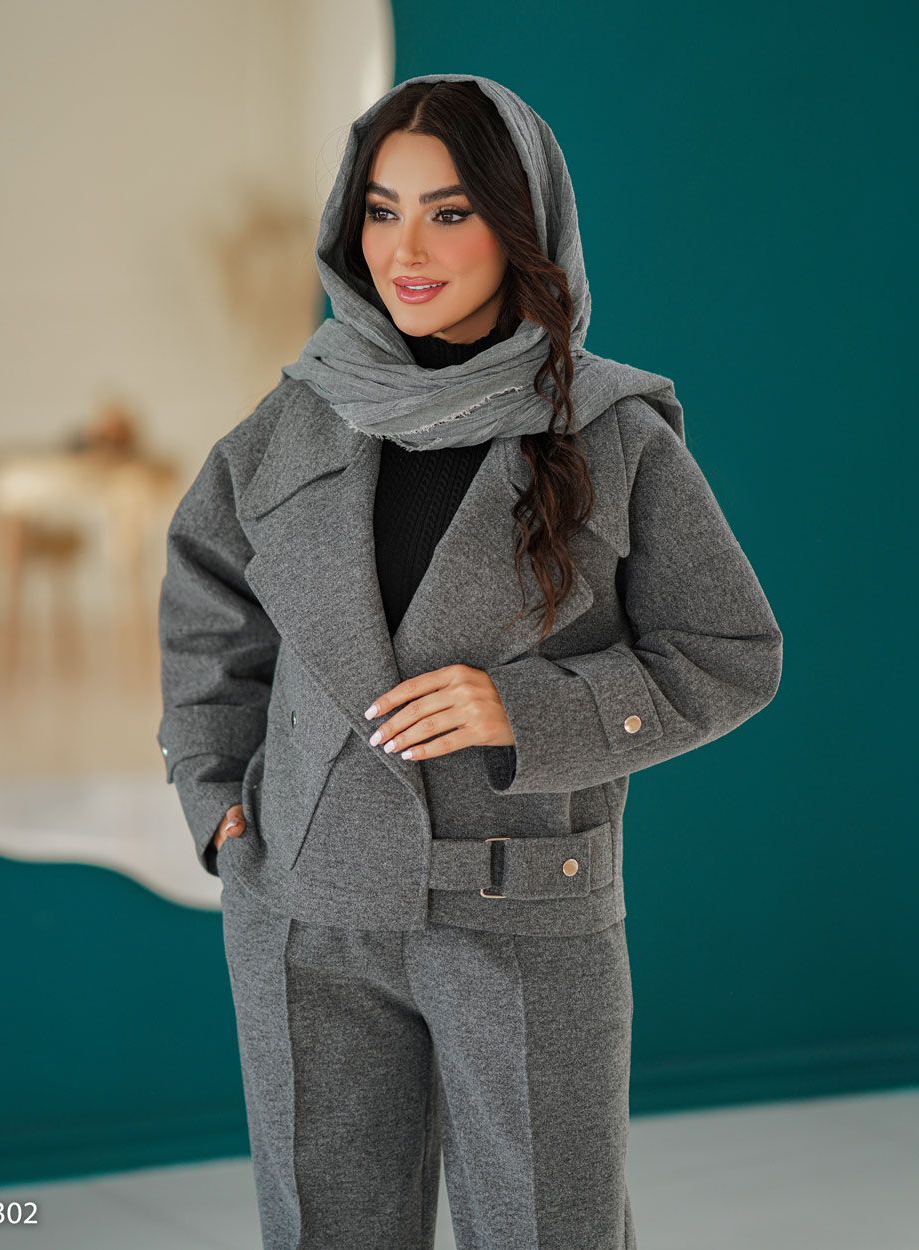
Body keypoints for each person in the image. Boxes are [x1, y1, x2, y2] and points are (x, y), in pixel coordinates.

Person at [157, 72, 783, 1250]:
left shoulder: (611, 432)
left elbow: (730, 650)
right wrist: (215, 798)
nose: (406, 250)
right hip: (305, 904)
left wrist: (525, 710)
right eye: (380, 210)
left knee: (549, 1228)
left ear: (520, 223)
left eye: (448, 212)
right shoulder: (297, 417)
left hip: (524, 902)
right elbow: (207, 615)